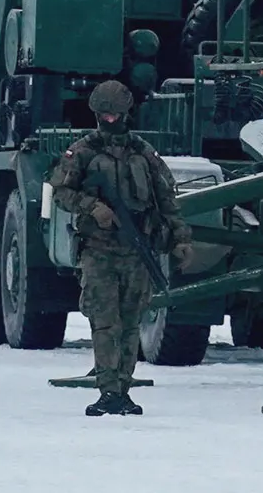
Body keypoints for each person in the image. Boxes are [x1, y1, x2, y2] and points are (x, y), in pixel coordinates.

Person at [47, 78, 190, 416]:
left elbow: (167, 199)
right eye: (104, 115)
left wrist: (181, 239)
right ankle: (108, 389)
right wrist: (91, 207)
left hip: (136, 249)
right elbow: (61, 191)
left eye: (115, 115)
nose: (110, 121)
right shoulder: (82, 152)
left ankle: (122, 388)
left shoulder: (143, 153)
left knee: (130, 323)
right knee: (104, 321)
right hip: (98, 250)